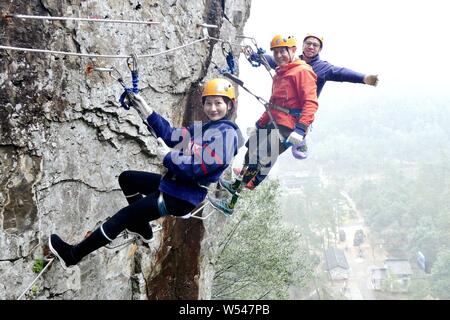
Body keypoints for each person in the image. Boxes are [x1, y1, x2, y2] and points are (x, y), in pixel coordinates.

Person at [49, 78, 244, 269]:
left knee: (123, 218)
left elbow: (199, 167)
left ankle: (72, 256)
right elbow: (171, 136)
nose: (213, 108)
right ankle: (142, 227)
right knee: (128, 179)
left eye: (218, 103)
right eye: (208, 103)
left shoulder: (227, 135)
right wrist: (146, 110)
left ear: (229, 105)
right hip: (175, 186)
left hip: (181, 196)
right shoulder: (206, 129)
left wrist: (168, 158)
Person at [240, 33, 379, 187]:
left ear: (320, 49)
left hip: (298, 117)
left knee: (270, 150)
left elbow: (341, 73)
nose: (311, 47)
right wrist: (253, 56)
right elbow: (273, 59)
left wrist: (364, 78)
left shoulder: (322, 68)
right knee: (257, 144)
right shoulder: (291, 60)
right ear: (300, 46)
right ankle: (245, 173)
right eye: (308, 43)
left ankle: (251, 180)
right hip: (280, 114)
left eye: (315, 45)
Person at [209, 35, 319, 215]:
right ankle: (235, 184)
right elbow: (273, 102)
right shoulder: (282, 72)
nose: (279, 55)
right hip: (273, 119)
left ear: (292, 50)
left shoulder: (302, 72)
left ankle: (230, 205)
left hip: (289, 127)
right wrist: (260, 123)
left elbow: (311, 103)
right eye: (275, 52)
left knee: (258, 158)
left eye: (283, 51)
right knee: (250, 148)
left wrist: (300, 129)